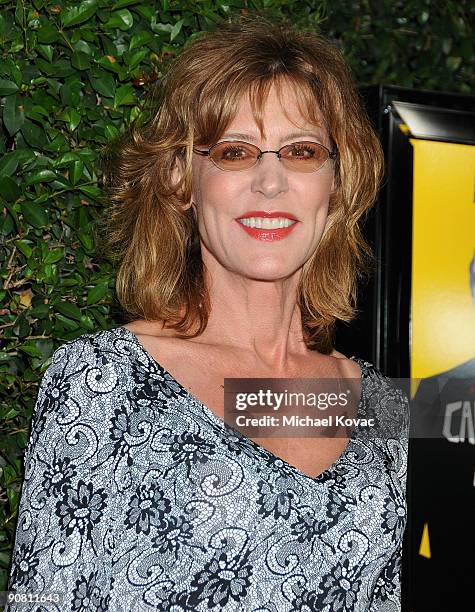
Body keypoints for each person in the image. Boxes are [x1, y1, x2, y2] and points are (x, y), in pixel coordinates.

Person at [6, 15, 409, 612]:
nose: (270, 183)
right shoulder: (101, 385)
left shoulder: (383, 408)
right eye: (235, 152)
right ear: (181, 179)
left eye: (301, 152)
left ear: (339, 182)